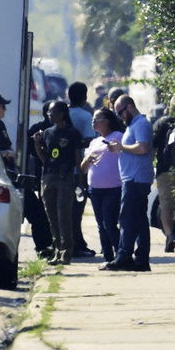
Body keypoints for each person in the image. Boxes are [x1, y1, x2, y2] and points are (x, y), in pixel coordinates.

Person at [104, 95, 155, 271]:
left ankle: (124, 256)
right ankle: (141, 260)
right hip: (133, 178)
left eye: (121, 112)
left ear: (130, 106)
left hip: (136, 178)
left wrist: (121, 147)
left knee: (126, 218)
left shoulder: (141, 124)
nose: (120, 116)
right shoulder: (133, 125)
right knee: (139, 220)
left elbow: (142, 148)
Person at [32, 100, 82, 264]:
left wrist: (80, 180)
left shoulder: (72, 133)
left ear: (61, 114)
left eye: (52, 112)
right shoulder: (47, 132)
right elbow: (44, 158)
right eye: (48, 113)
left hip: (65, 177)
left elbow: (77, 158)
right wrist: (37, 144)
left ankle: (66, 252)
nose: (49, 115)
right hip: (48, 176)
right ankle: (57, 250)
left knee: (64, 215)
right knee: (51, 215)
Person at [80, 107, 124, 264]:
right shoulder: (94, 142)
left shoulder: (118, 136)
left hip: (113, 188)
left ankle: (121, 256)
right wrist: (87, 159)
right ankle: (108, 257)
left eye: (96, 119)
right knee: (101, 225)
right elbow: (83, 168)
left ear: (107, 122)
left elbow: (122, 150)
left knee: (109, 223)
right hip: (95, 189)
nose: (93, 122)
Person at [152, 106, 175, 253]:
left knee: (166, 205)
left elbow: (153, 147)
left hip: (164, 170)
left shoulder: (162, 122)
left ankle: (169, 235)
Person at [21, 100, 54, 255]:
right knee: (42, 211)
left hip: (61, 174)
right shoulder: (37, 129)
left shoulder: (64, 129)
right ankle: (44, 245)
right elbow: (27, 153)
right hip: (41, 174)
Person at [66, 82, 96, 257]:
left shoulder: (61, 114)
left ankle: (71, 242)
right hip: (79, 170)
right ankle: (77, 243)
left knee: (64, 210)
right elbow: (90, 142)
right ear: (85, 97)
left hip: (61, 170)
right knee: (77, 209)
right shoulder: (85, 117)